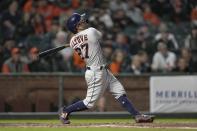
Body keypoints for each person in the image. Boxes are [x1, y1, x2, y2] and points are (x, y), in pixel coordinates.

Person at [59, 13, 154, 124]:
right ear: (77, 26)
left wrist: (77, 38)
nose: (84, 21)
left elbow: (79, 40)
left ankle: (137, 115)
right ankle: (65, 111)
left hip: (102, 70)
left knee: (119, 91)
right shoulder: (91, 31)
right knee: (89, 103)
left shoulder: (72, 41)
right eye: (81, 21)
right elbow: (100, 36)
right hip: (95, 73)